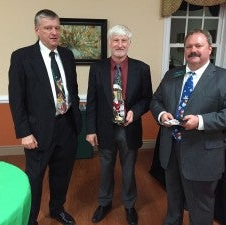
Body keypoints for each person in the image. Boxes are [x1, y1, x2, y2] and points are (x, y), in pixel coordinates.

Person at [150, 29, 226, 225]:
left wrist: (200, 121)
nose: (193, 50)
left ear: (209, 49)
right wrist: (161, 114)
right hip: (171, 150)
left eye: (198, 46)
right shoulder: (172, 74)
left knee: (200, 207)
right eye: (189, 46)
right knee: (173, 201)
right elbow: (156, 100)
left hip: (202, 153)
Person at [8, 9, 82, 225]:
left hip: (67, 126)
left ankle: (57, 209)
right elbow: (16, 98)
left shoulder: (67, 55)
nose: (54, 32)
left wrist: (75, 116)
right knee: (35, 177)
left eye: (57, 28)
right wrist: (24, 132)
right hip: (38, 131)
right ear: (37, 30)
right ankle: (30, 219)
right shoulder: (21, 57)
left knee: (62, 174)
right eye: (48, 28)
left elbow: (72, 89)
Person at [86, 25, 152, 225]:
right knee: (106, 168)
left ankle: (129, 205)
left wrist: (135, 111)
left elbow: (147, 99)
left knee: (129, 170)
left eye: (124, 41)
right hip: (105, 129)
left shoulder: (142, 68)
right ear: (109, 43)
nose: (120, 45)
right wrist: (90, 130)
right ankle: (104, 203)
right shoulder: (97, 68)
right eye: (116, 40)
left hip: (129, 129)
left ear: (129, 43)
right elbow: (92, 101)